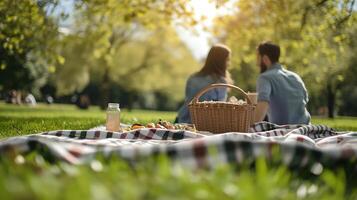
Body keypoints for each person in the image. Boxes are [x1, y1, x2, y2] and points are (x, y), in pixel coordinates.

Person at [254, 41, 311, 125]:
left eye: (258, 57)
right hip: (306, 127)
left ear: (265, 58)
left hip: (284, 130)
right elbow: (305, 100)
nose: (257, 63)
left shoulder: (265, 77)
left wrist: (250, 126)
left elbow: (263, 103)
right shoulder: (295, 76)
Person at [176, 44, 233, 123]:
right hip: (205, 123)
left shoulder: (193, 77)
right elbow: (220, 108)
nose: (229, 63)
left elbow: (188, 99)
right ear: (221, 61)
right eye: (227, 60)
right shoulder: (220, 82)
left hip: (183, 119)